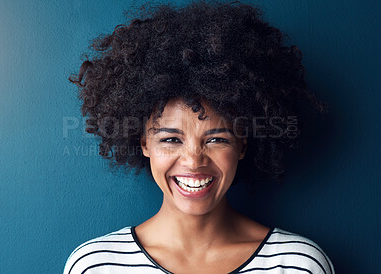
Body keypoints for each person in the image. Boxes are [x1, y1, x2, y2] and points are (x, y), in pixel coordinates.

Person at [63, 1, 335, 273]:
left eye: (217, 139)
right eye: (171, 140)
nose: (194, 161)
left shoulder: (297, 264)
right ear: (144, 142)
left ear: (242, 143)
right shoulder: (95, 265)